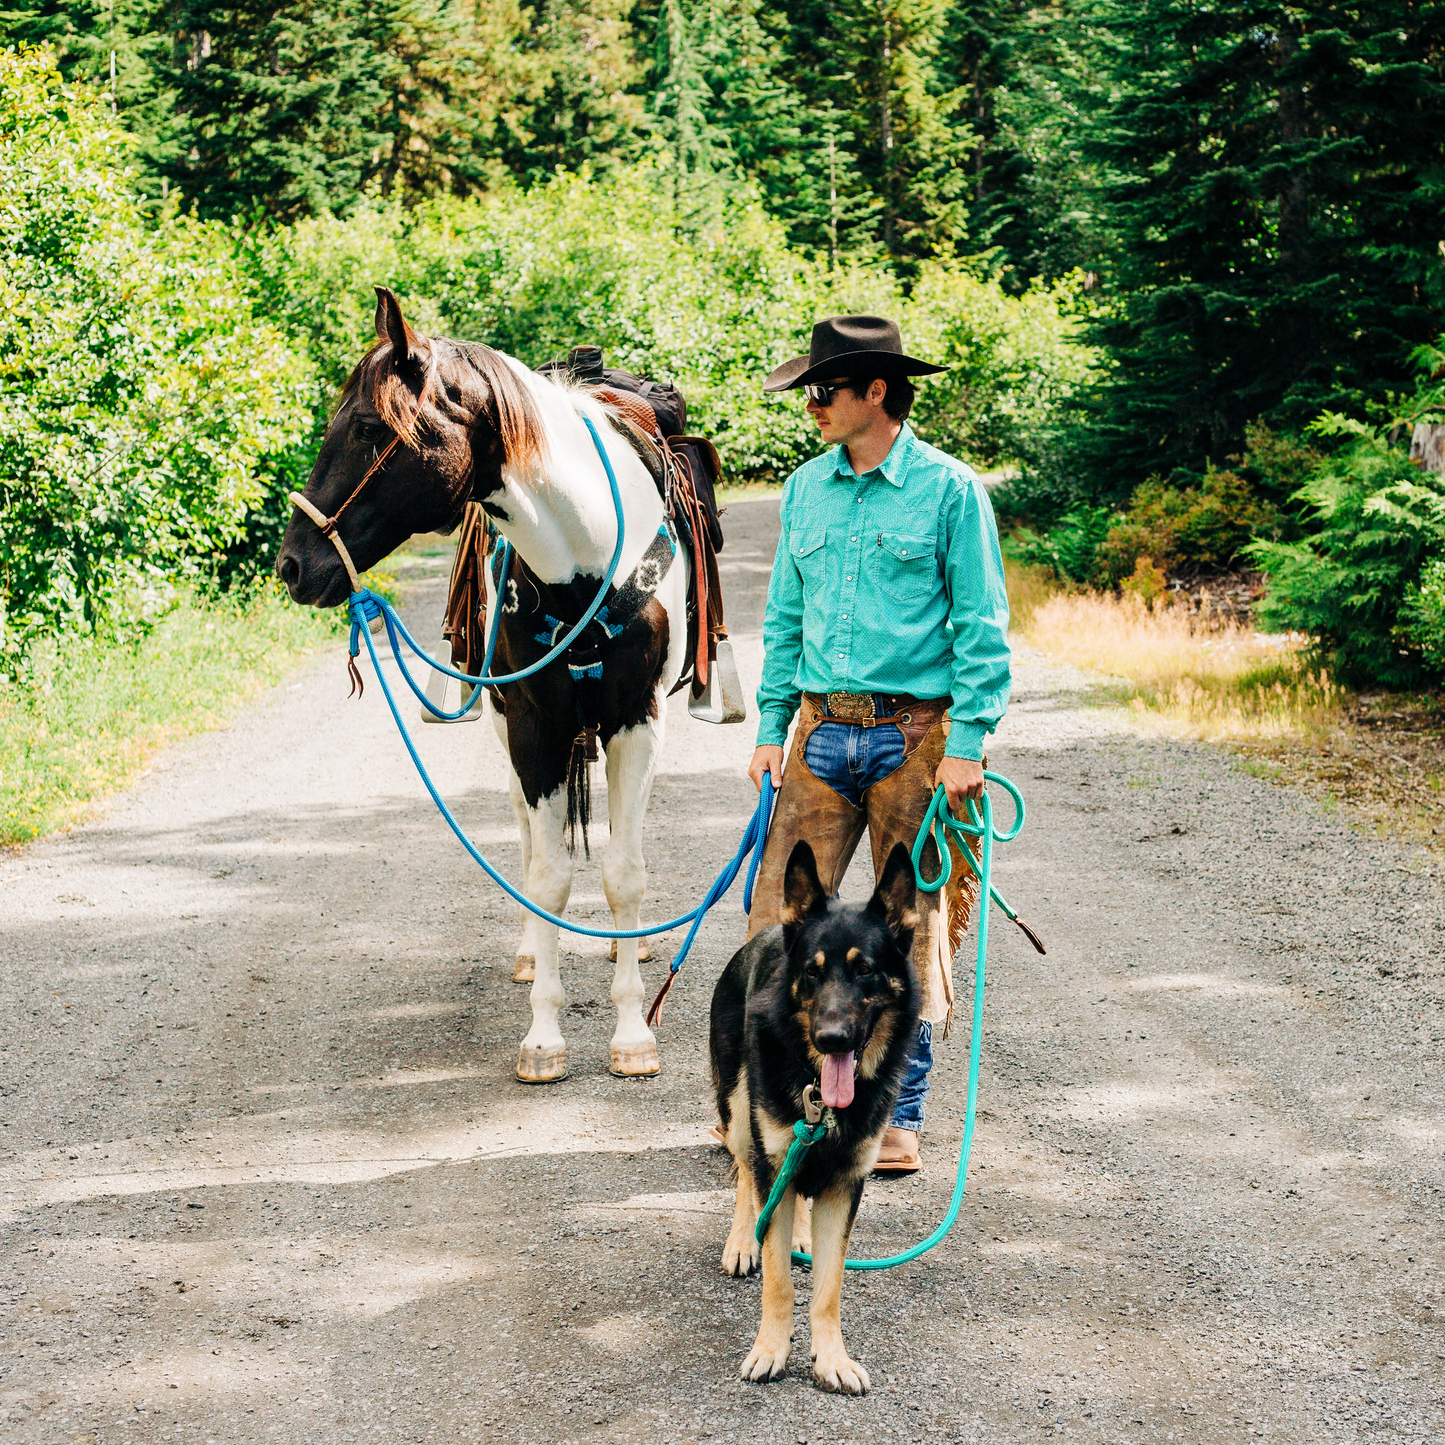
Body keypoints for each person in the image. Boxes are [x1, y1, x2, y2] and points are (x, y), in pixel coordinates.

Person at [745, 314, 1011, 1171]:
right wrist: (768, 724)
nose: (812, 405)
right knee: (777, 926)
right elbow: (784, 615)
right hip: (821, 732)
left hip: (919, 737)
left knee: (912, 929)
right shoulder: (804, 489)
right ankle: (779, 1106)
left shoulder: (949, 490)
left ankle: (894, 1115)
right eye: (810, 392)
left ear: (876, 393)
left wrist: (966, 742)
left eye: (824, 391)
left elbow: (980, 627)